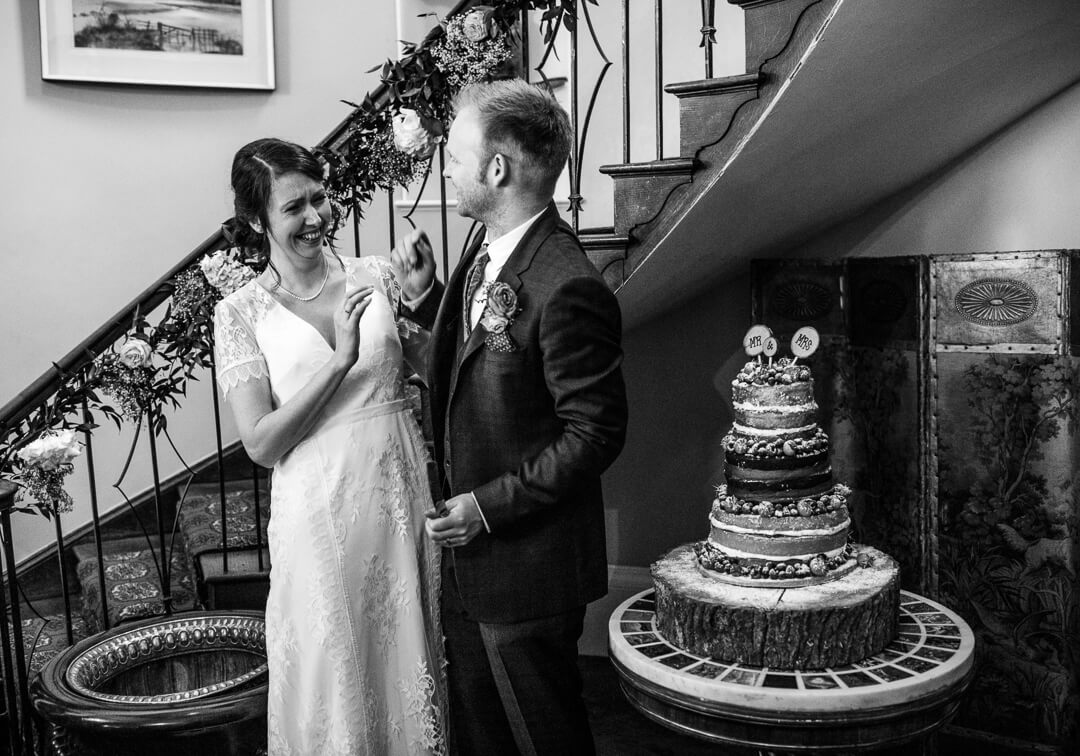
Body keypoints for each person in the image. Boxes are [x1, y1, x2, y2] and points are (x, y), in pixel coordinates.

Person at [393, 80, 628, 755]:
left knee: (542, 737)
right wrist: (426, 300)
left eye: (456, 156)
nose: (445, 167)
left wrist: (486, 508)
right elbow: (482, 366)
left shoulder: (567, 283)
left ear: (497, 169)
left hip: (527, 564)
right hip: (472, 563)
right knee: (482, 734)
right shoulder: (485, 247)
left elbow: (596, 433)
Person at [212, 138, 446, 755]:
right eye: (294, 208)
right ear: (259, 221)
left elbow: (433, 373)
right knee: (335, 667)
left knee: (404, 654)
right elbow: (261, 443)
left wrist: (422, 298)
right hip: (317, 515)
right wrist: (341, 359)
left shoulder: (375, 276)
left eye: (319, 198)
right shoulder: (240, 314)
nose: (315, 217)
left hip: (398, 496)